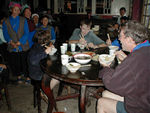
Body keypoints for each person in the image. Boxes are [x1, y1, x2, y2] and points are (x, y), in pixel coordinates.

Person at [97, 20, 150, 113]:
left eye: (120, 36)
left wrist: (105, 67)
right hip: (143, 95)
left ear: (129, 39)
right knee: (105, 93)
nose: (119, 39)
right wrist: (126, 59)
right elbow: (138, 70)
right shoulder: (145, 49)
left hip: (142, 107)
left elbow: (112, 84)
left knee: (101, 102)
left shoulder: (133, 60)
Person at [3, 2, 29, 84]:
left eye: (18, 10)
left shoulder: (23, 20)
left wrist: (19, 42)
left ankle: (27, 76)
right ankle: (18, 76)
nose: (17, 11)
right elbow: (5, 33)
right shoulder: (6, 21)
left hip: (23, 45)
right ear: (11, 10)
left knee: (25, 62)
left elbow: (26, 33)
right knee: (15, 62)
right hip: (12, 45)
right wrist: (10, 42)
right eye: (15, 10)